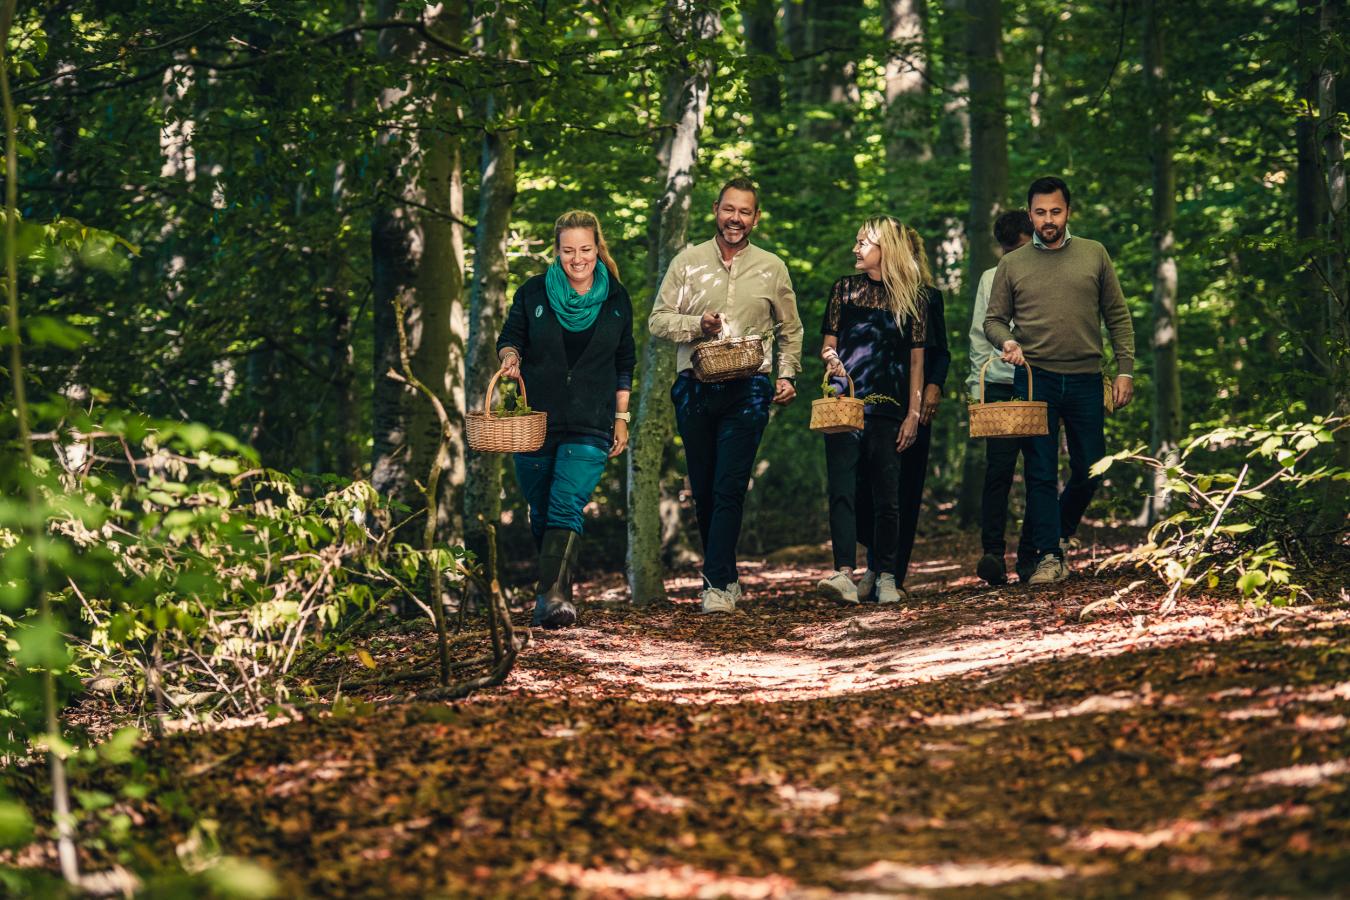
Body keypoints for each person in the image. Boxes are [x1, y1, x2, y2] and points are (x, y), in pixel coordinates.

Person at [648, 176, 804, 614]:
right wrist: (698, 324)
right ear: (716, 209)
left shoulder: (772, 266)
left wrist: (787, 375)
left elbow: (791, 329)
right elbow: (658, 320)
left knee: (730, 483)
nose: (735, 218)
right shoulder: (687, 261)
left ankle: (714, 585)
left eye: (745, 211)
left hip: (750, 387)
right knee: (703, 488)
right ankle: (727, 574)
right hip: (694, 386)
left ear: (756, 217)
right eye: (729, 209)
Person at [984, 176, 1135, 585]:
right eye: (1039, 213)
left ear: (1068, 211)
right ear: (1029, 213)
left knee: (1093, 467)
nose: (1048, 220)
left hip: (1087, 378)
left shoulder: (1094, 254)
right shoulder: (1012, 264)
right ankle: (1050, 555)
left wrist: (1125, 369)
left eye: (1055, 212)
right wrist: (1008, 341)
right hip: (1035, 380)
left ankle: (1056, 534)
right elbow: (993, 320)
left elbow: (1117, 316)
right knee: (1040, 471)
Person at [496, 210, 636, 628]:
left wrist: (622, 416)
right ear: (556, 251)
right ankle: (555, 592)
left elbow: (624, 360)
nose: (578, 259)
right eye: (569, 250)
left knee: (567, 502)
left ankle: (552, 596)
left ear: (598, 249)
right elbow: (510, 339)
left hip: (592, 420)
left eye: (586, 250)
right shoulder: (534, 292)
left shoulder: (616, 298)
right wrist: (510, 358)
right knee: (540, 510)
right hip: (536, 420)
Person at [816, 216, 927, 606]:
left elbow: (917, 363)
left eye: (863, 242)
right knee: (842, 489)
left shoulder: (912, 297)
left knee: (888, 494)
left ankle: (887, 575)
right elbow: (828, 344)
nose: (856, 249)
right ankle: (844, 571)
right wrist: (832, 359)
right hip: (845, 405)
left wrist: (913, 414)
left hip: (890, 408)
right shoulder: (844, 290)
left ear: (886, 248)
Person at [967, 210, 1036, 585]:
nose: (1014, 257)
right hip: (997, 384)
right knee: (998, 471)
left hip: (1037, 381)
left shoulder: (1044, 273)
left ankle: (1032, 553)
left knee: (1040, 470)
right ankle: (993, 553)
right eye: (1008, 250)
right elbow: (980, 335)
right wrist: (976, 389)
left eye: (1021, 248)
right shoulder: (990, 278)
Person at [892, 224, 950, 593]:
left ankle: (893, 574)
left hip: (917, 403)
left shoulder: (929, 298)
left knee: (908, 486)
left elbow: (941, 352)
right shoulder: (869, 294)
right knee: (873, 484)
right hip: (878, 401)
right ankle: (876, 565)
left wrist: (933, 387)